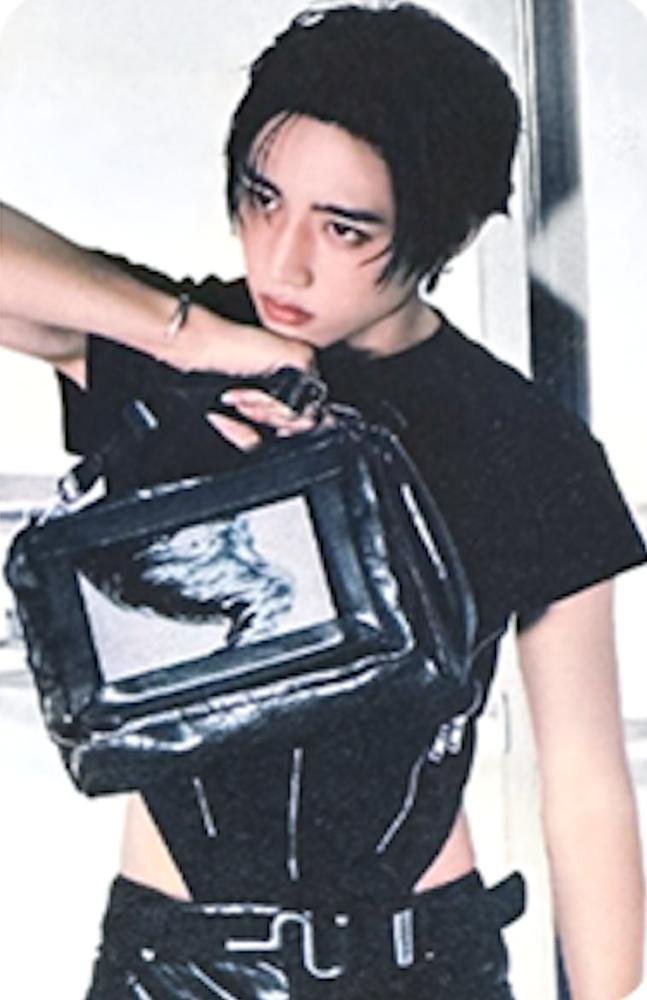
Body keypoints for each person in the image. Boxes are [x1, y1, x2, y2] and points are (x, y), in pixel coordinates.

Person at [1, 4, 645, 998]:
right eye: (263, 201)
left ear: (442, 229)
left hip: (420, 966)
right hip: (172, 966)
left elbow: (583, 783)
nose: (283, 259)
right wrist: (191, 336)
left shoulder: (524, 443)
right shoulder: (172, 354)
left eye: (343, 228)